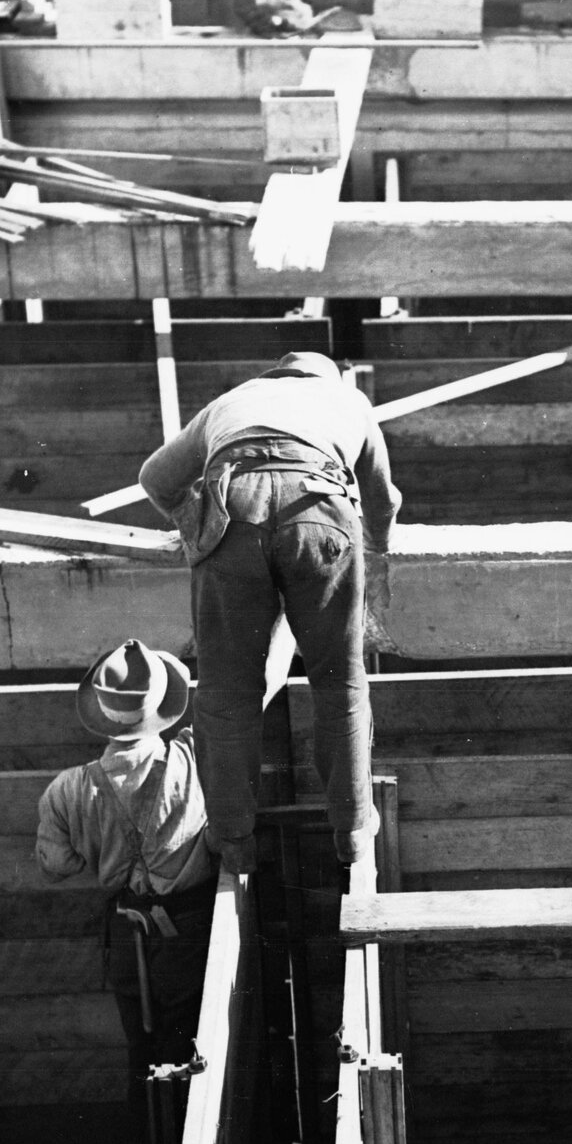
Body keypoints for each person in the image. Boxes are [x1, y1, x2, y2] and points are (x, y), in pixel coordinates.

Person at [137, 350, 402, 872]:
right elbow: (383, 502)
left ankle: (233, 840)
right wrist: (372, 553)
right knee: (338, 681)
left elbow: (155, 479)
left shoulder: (230, 403)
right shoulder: (350, 400)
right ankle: (351, 829)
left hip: (233, 511)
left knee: (227, 689)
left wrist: (197, 524)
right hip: (320, 511)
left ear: (276, 375)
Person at [36, 640, 217, 1144]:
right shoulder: (195, 765)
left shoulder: (68, 789)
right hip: (190, 936)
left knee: (142, 1060)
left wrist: (100, 837)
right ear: (162, 707)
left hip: (126, 937)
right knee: (196, 1055)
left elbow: (55, 865)